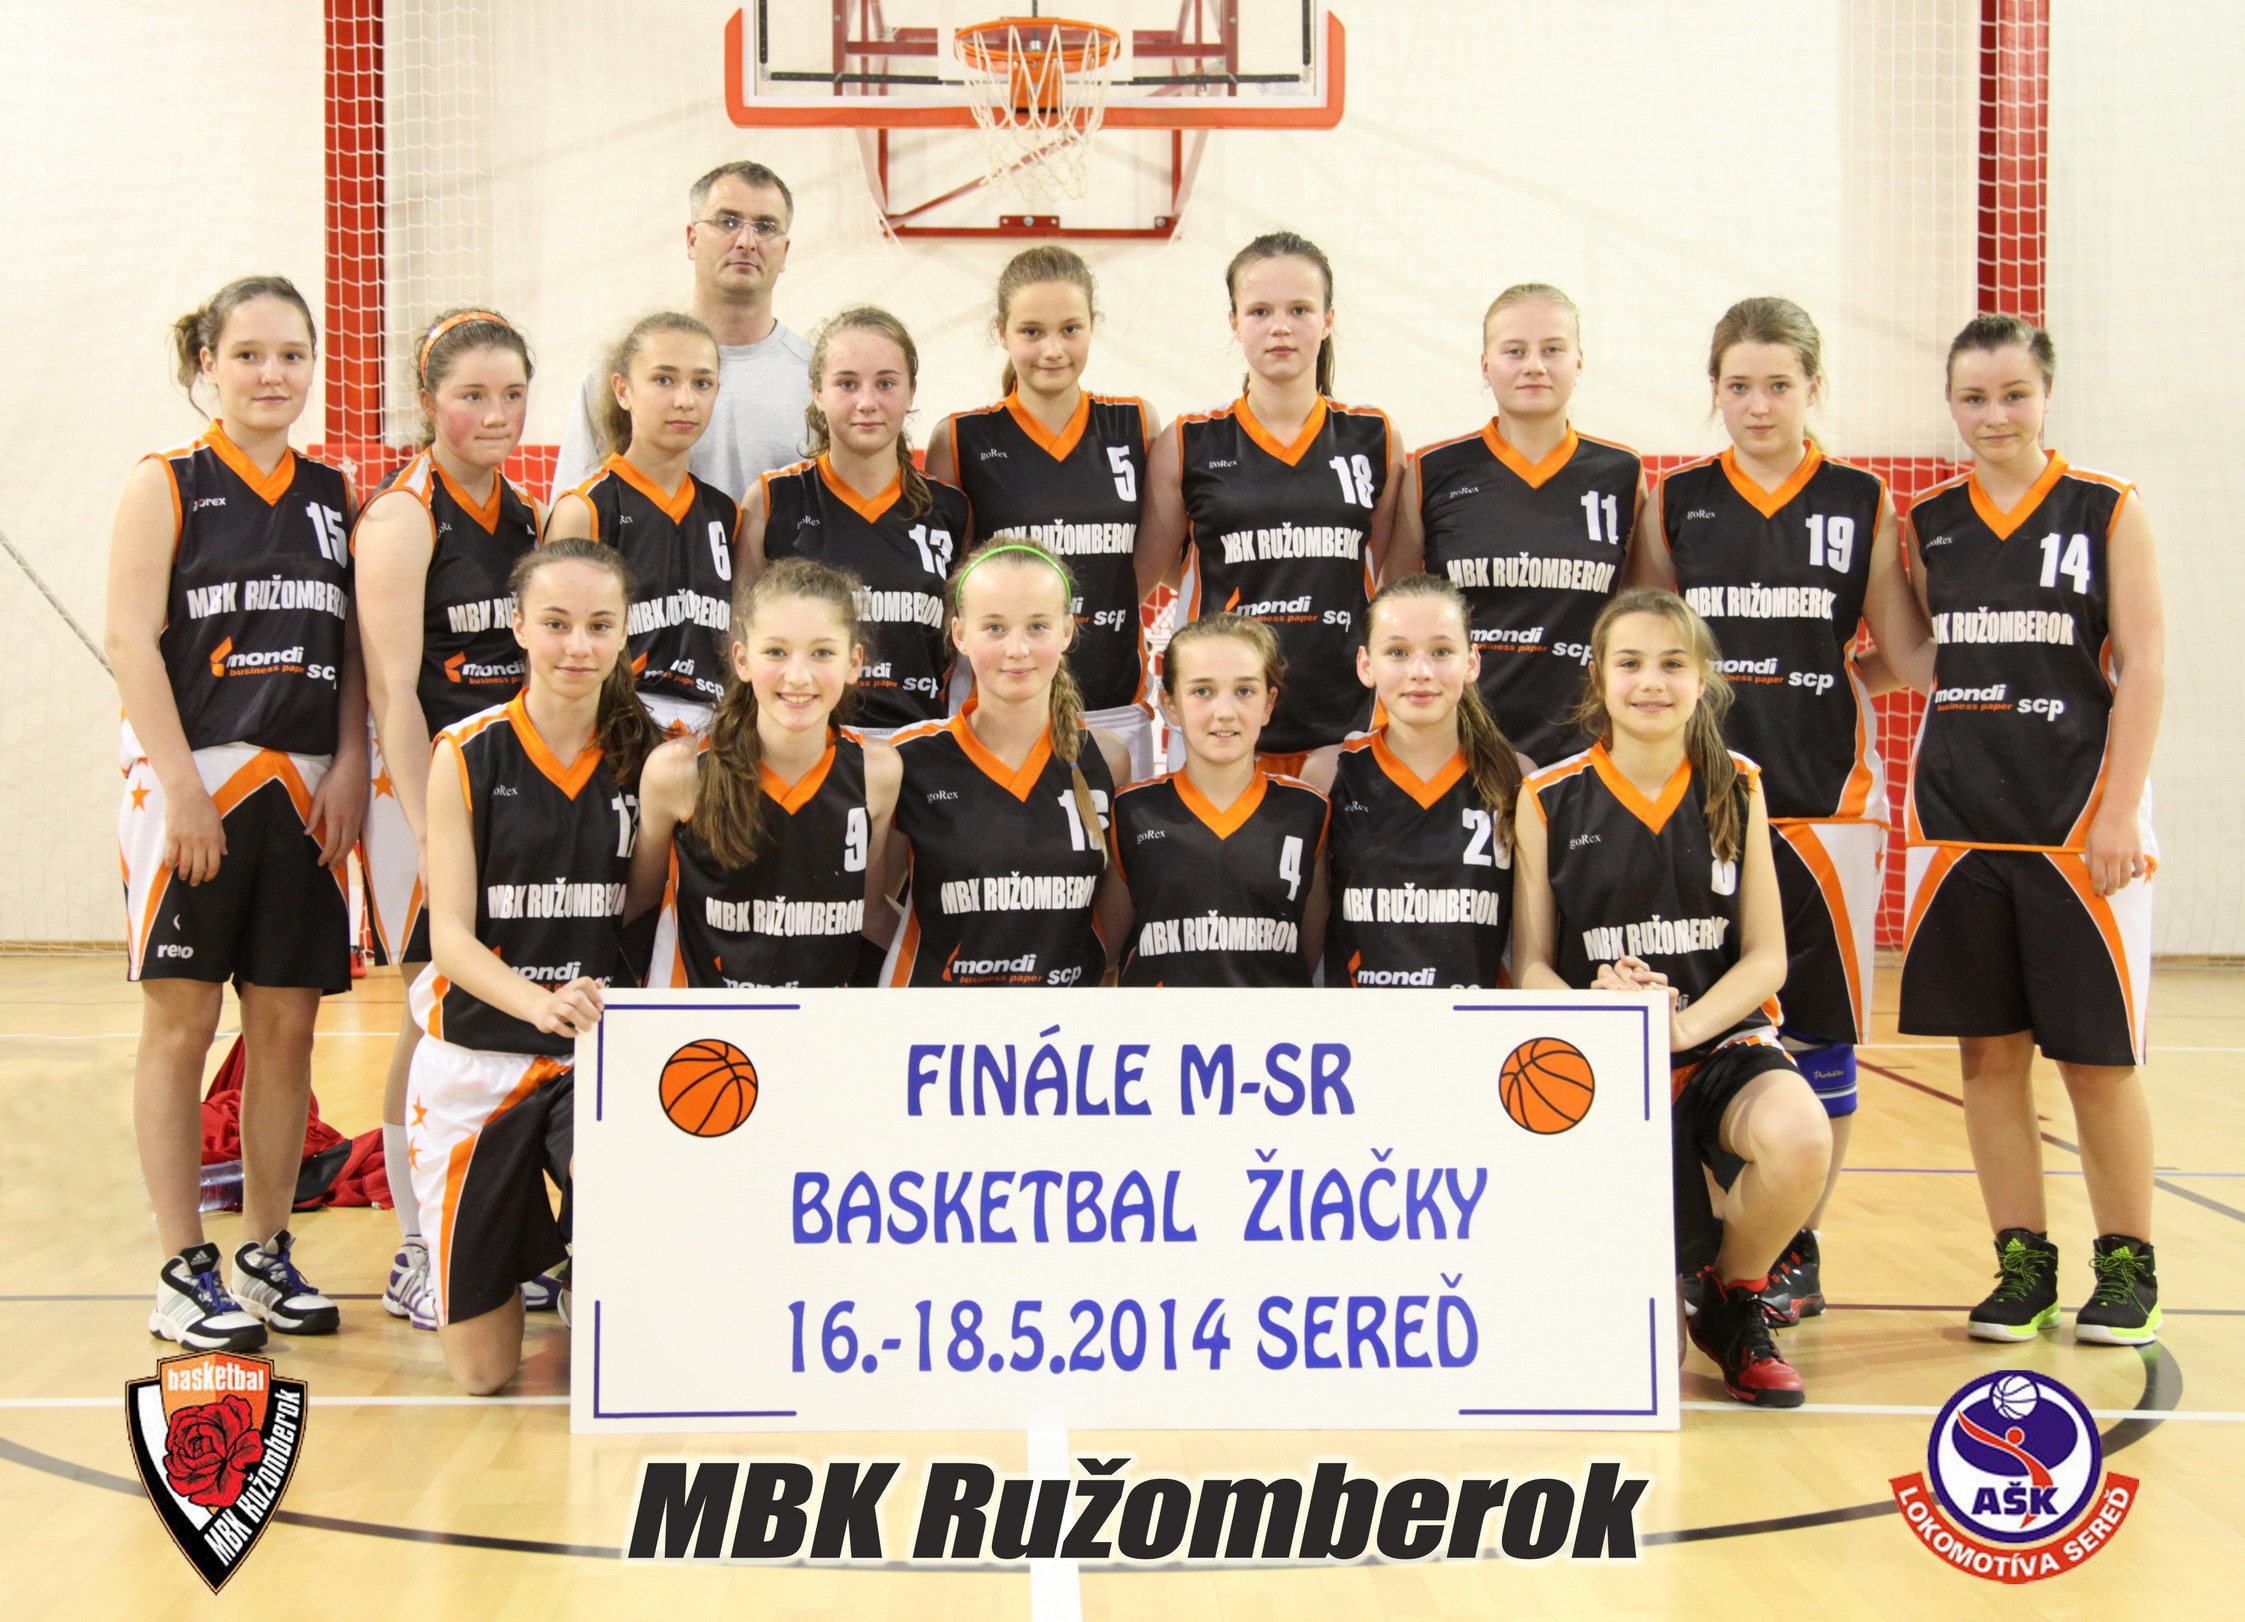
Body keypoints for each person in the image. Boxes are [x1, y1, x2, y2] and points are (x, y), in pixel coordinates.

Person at [1632, 296, 1934, 1324]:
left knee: (1821, 1034)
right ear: (1713, 391)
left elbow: (1900, 651)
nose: (1757, 404)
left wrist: (1819, 681)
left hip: (1823, 803)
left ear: (1813, 388)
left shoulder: (1860, 499)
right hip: (1697, 801)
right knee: (1706, 1034)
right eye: (1737, 385)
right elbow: (1651, 643)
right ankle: (1707, 1238)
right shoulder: (1676, 500)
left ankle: (1796, 1247)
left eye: (1778, 384)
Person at [105, 274, 367, 1350]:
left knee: (286, 1029)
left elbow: (352, 644)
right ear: (208, 363)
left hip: (303, 788)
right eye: (250, 354)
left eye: (292, 354)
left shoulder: (335, 491)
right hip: (193, 782)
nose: (272, 374)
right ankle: (181, 1267)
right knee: (180, 1025)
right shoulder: (167, 481)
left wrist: (352, 761)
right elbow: (130, 640)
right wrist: (179, 788)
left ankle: (264, 1252)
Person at [1900, 315, 2165, 1346]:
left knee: (2095, 1060)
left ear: (2045, 394)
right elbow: (1923, 657)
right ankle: (2022, 1264)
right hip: (1962, 826)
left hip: (2076, 824)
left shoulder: (2105, 507)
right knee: (1987, 1056)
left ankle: (2128, 1265)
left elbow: (2143, 665)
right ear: (1950, 404)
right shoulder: (1928, 522)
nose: (1994, 415)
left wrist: (2118, 808)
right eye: (1973, 397)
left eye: (2013, 394)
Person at [1511, 588, 1831, 1407]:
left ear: (1702, 679)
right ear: (1598, 677)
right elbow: (1531, 965)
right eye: (1629, 663)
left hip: (1716, 1041)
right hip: (1598, 1056)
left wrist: (1678, 1027)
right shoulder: (1547, 796)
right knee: (1636, 1351)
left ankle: (1732, 1295)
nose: (1650, 682)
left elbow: (1765, 958)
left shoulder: (1737, 784)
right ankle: (1663, 1277)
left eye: (1671, 663)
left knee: (1800, 1137)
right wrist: (1603, 1017)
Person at [407, 539, 660, 1394]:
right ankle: (528, 1260)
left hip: (592, 1057)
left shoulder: (657, 757)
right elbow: (448, 937)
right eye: (555, 624)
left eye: (599, 625)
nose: (577, 646)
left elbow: (648, 905)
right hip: (479, 1058)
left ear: (625, 633)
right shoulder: (466, 751)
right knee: (481, 1375)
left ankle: (599, 1267)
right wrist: (537, 1001)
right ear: (517, 627)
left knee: (616, 1169)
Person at [354, 307, 543, 1329]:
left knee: (489, 1011)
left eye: (511, 394)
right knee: (429, 1011)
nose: (496, 413)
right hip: (422, 793)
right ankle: (417, 1246)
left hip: (504, 789)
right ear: (428, 401)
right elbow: (392, 689)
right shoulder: (403, 516)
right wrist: (430, 831)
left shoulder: (525, 516)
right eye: (473, 395)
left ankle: (494, 1232)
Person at [1137, 230, 1402, 773]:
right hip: (1223, 720)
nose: (1280, 327)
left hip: (1346, 714)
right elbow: (1154, 572)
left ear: (1328, 320)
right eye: (1260, 311)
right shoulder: (1188, 441)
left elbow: (1391, 575)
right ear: (1234, 322)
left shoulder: (1373, 436)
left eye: (1299, 309)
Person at [1386, 284, 1648, 765]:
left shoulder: (1621, 473)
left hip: (1586, 745)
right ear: (1486, 364)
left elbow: (1641, 619)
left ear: (1579, 361)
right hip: (1459, 743)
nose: (1534, 365)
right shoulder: (1433, 470)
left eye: (1553, 349)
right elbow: (1398, 614)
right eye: (1514, 351)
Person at [928, 247, 1161, 781]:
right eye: (1031, 331)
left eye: (1070, 329)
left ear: (1092, 327)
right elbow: (953, 580)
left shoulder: (1135, 423)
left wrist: (1093, 611)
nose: (1052, 350)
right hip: (1000, 706)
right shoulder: (961, 438)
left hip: (1113, 700)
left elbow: (1142, 564)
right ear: (1002, 332)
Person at [633, 557, 902, 988]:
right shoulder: (679, 771)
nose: (797, 676)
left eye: (822, 652)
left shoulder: (878, 772)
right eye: (776, 651)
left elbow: (870, 914)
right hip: (700, 1023)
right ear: (742, 659)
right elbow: (636, 905)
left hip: (820, 1024)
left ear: (854, 663)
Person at [883, 537, 1131, 986]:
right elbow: (865, 905)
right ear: (960, 634)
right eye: (995, 627)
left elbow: (1109, 929)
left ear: (1067, 631)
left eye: (1037, 626)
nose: (1017, 649)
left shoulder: (1107, 758)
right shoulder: (908, 759)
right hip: (936, 1018)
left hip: (1059, 1022)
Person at [745, 307, 969, 740]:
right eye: (847, 384)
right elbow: (744, 640)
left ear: (911, 391)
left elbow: (967, 649)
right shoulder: (772, 500)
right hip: (807, 744)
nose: (867, 402)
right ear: (817, 391)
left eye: (886, 383)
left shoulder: (951, 509)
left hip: (921, 744)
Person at [1304, 574, 1526, 989]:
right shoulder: (1327, 772)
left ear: (1472, 662)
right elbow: (1306, 948)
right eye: (1398, 652)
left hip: (1474, 1022)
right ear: (1366, 665)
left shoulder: (1515, 775)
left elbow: (1531, 950)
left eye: (1441, 651)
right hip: (1359, 1023)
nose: (1420, 671)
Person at [550, 161, 811, 501]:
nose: (746, 241)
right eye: (727, 222)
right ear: (692, 240)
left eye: (765, 227)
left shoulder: (820, 381)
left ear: (785, 251)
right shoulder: (624, 371)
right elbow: (571, 512)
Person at [545, 312, 741, 736]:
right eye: (664, 379)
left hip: (712, 733)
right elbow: (551, 656)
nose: (685, 400)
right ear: (623, 390)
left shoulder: (727, 513)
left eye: (702, 383)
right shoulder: (585, 509)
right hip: (613, 728)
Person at [1108, 614, 1328, 986]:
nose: (1224, 712)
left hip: (1271, 1024)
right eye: (1202, 691)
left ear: (1269, 703)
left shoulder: (1309, 810)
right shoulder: (1132, 811)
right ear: (1170, 704)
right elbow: (1108, 958)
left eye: (1244, 691)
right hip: (1161, 1024)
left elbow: (1307, 955)